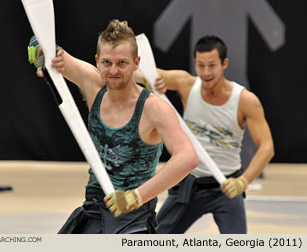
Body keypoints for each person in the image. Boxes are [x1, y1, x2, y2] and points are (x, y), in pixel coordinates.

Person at [27, 20, 198, 233]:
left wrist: (136, 196)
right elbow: (51, 51)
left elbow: (188, 157)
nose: (113, 70)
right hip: (94, 209)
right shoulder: (93, 84)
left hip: (134, 217)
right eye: (107, 62)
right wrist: (38, 47)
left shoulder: (153, 108)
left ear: (136, 63)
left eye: (122, 63)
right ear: (97, 61)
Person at [136, 35, 274, 234]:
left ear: (224, 63)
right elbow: (136, 74)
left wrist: (243, 181)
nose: (206, 72)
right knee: (153, 240)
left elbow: (267, 147)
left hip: (226, 188)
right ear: (195, 64)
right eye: (201, 66)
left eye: (212, 65)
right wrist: (149, 84)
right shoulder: (187, 85)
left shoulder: (245, 100)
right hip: (188, 185)